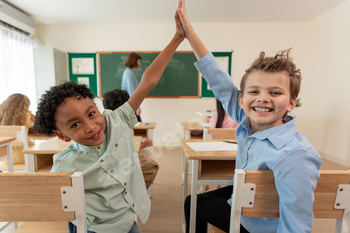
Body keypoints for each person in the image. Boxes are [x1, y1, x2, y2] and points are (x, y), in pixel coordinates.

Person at [176, 1, 322, 232]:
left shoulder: (295, 156)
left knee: (194, 203)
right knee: (193, 202)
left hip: (254, 225)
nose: (263, 98)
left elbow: (296, 223)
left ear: (291, 103)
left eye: (275, 92)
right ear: (242, 100)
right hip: (244, 197)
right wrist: (190, 34)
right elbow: (218, 81)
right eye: (254, 92)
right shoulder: (249, 121)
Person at [32, 11, 184, 233]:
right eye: (75, 124)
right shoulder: (63, 165)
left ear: (98, 108)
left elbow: (148, 80)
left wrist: (178, 37)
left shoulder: (117, 120)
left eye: (92, 113)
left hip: (127, 221)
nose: (91, 126)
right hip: (94, 228)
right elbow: (52, 204)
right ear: (62, 135)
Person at [102, 89, 159, 189]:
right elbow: (132, 149)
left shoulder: (102, 122)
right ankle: (133, 192)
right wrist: (145, 144)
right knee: (152, 166)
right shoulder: (124, 124)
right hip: (121, 163)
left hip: (108, 163)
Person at [0, 94, 35, 166]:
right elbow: (39, 122)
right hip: (25, 155)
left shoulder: (1, 115)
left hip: (6, 158)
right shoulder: (27, 115)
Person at [122, 52, 143, 122]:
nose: (139, 64)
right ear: (134, 61)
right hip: (130, 104)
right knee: (138, 126)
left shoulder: (129, 72)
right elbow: (131, 91)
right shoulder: (129, 73)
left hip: (129, 104)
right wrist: (137, 107)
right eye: (139, 61)